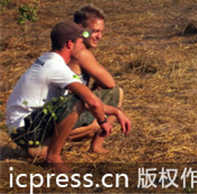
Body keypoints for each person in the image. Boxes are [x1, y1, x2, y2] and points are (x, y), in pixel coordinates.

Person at [5, 21, 132, 172]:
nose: (83, 45)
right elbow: (90, 101)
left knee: (92, 100)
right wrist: (103, 121)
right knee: (78, 102)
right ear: (69, 45)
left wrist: (116, 111)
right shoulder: (56, 67)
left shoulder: (49, 59)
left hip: (30, 122)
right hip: (25, 130)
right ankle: (52, 157)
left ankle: (46, 147)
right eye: (80, 42)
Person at [70, 5, 124, 154]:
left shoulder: (67, 45)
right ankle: (97, 145)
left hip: (59, 111)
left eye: (101, 32)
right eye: (95, 31)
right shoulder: (80, 52)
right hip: (64, 117)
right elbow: (109, 83)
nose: (99, 36)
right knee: (116, 92)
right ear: (81, 29)